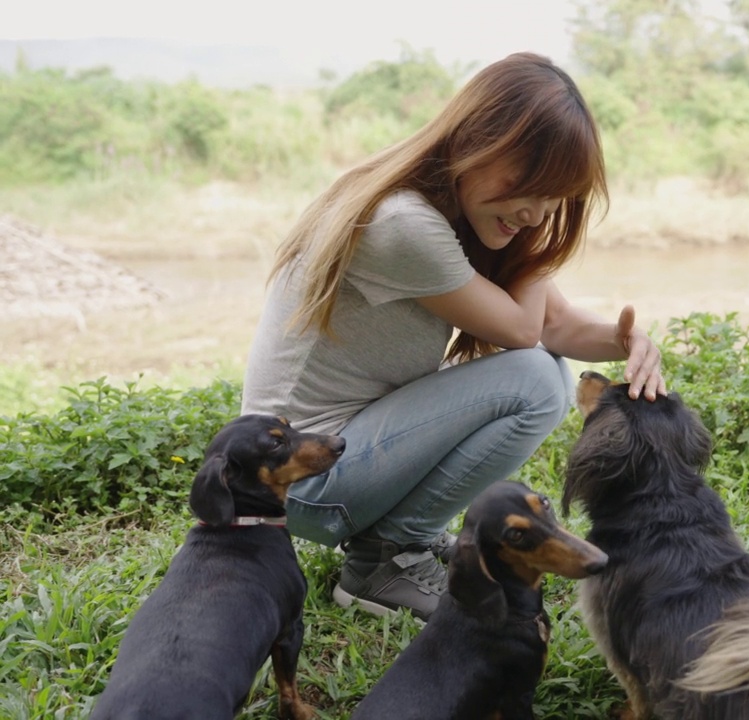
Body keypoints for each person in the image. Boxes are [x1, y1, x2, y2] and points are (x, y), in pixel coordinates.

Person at [240, 52, 666, 621]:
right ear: (476, 140)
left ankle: (396, 537)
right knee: (538, 379)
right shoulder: (404, 224)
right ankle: (385, 560)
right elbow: (525, 332)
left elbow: (558, 325)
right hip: (303, 480)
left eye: (554, 196)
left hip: (328, 461)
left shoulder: (454, 210)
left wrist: (629, 342)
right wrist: (534, 248)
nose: (538, 213)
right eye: (529, 184)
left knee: (542, 371)